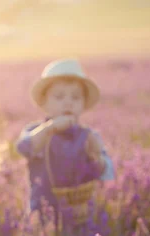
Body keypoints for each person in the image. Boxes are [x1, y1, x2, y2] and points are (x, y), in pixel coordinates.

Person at [16, 58, 115, 225]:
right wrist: (50, 128)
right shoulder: (38, 131)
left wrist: (97, 156)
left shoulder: (88, 136)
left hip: (80, 215)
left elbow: (106, 171)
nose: (68, 102)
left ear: (83, 104)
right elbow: (24, 148)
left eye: (76, 97)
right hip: (42, 211)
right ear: (44, 104)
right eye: (59, 97)